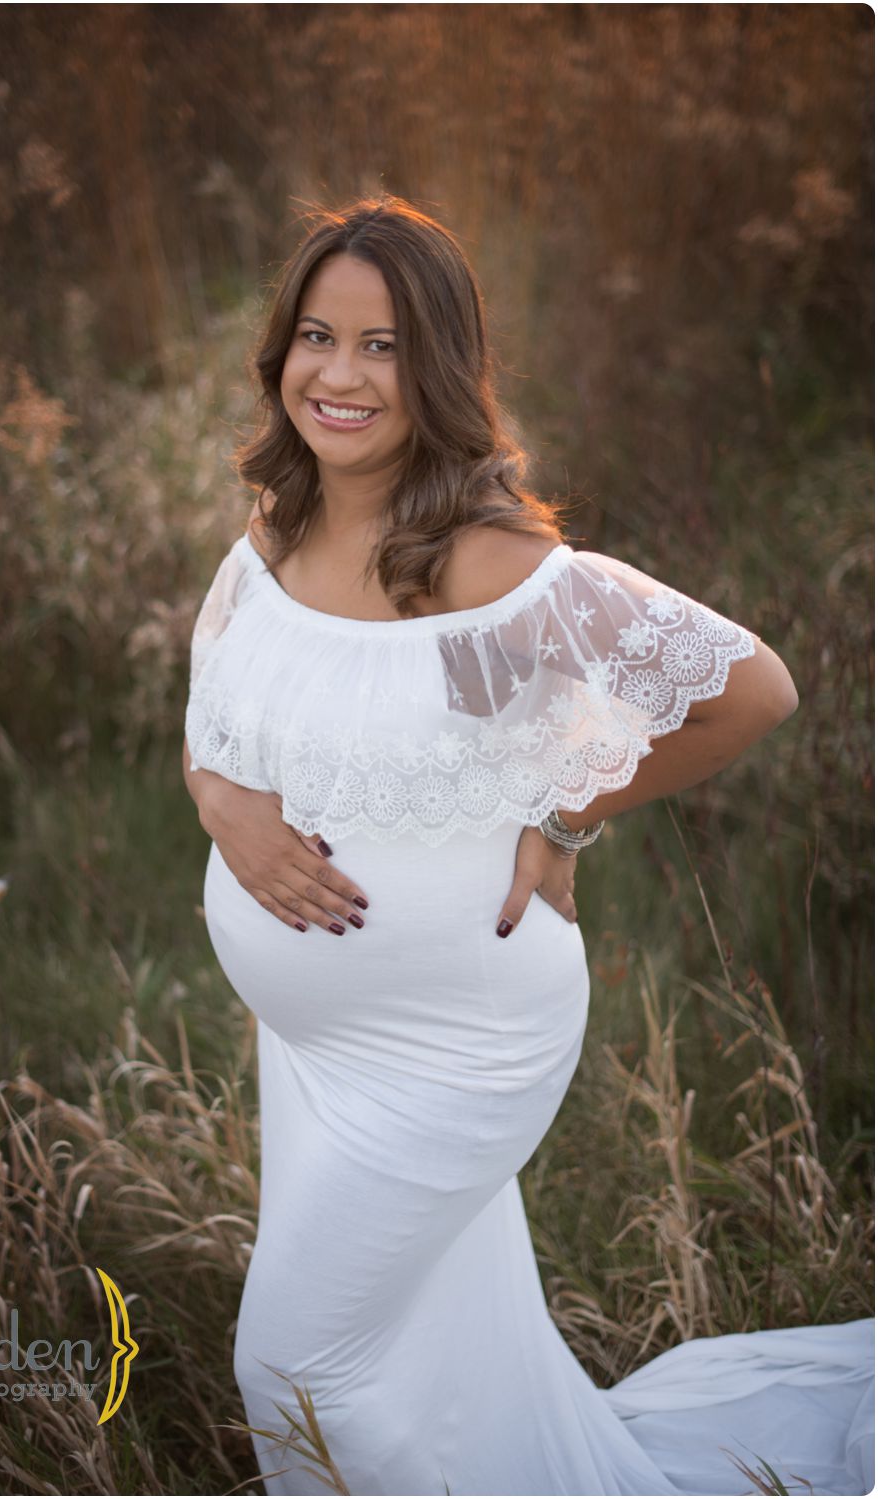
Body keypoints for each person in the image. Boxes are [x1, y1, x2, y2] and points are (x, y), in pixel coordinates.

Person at [182, 198, 872, 1494]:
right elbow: (210, 731)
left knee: (294, 1362)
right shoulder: (270, 542)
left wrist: (566, 816)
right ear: (279, 353)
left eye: (383, 346)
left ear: (438, 367)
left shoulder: (493, 570)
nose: (339, 373)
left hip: (457, 1042)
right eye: (317, 336)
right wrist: (228, 809)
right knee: (429, 1355)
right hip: (312, 1046)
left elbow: (753, 688)